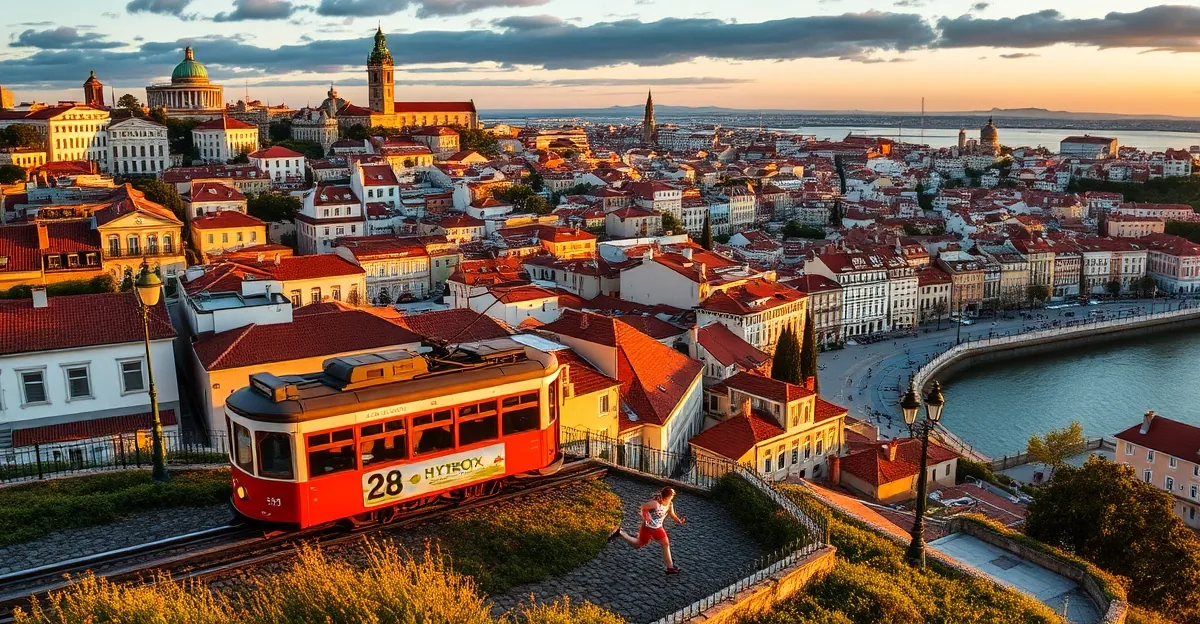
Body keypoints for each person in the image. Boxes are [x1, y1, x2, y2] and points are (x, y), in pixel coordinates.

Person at [609, 486, 686, 574]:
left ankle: (620, 532)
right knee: (665, 544)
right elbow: (643, 507)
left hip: (649, 527)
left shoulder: (670, 504)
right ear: (667, 496)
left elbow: (672, 515)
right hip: (655, 528)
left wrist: (679, 521)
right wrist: (646, 517)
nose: (673, 496)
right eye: (672, 495)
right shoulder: (655, 503)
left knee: (637, 544)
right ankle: (670, 567)